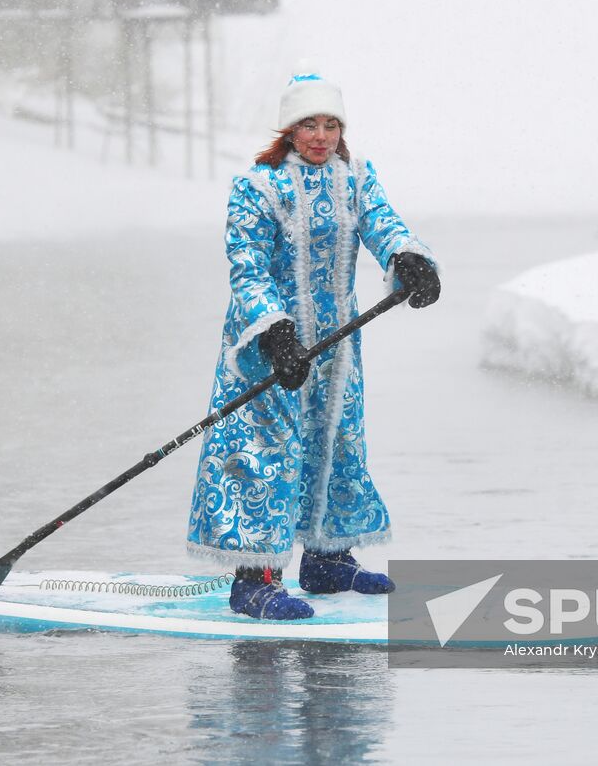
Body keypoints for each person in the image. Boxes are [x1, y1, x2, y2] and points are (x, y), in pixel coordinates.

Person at [185, 71, 441, 620]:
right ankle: (255, 580)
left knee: (337, 444)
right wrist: (276, 332)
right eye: (309, 124)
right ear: (288, 129)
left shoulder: (356, 179)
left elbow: (383, 224)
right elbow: (247, 269)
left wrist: (407, 259)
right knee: (267, 457)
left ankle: (327, 560)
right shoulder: (256, 187)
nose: (321, 136)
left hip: (337, 345)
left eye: (331, 124)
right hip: (266, 346)